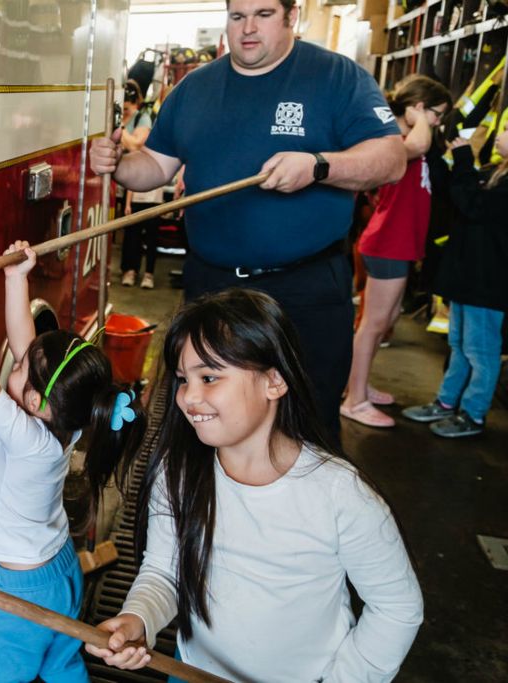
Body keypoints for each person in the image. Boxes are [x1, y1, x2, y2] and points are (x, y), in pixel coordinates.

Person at [90, 0, 406, 442]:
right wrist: (120, 163)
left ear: (291, 16)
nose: (248, 28)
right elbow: (155, 167)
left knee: (307, 423)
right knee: (209, 422)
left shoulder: (336, 77)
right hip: (213, 289)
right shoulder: (195, 88)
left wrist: (318, 166)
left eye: (263, 14)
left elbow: (391, 160)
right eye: (238, 16)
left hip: (306, 290)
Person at [85, 288, 424, 682]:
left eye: (209, 377)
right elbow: (164, 570)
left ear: (274, 382)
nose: (189, 397)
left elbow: (397, 606)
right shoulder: (178, 472)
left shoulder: (340, 494)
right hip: (191, 670)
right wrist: (137, 618)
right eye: (182, 379)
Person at [0, 240, 147, 682]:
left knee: (5, 676)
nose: (15, 364)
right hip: (60, 567)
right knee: (62, 663)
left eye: (20, 370)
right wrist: (16, 278)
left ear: (37, 399)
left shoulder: (24, 438)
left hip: (23, 592)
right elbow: (27, 350)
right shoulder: (68, 421)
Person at [341, 75, 451, 428]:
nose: (438, 123)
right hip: (388, 244)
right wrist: (419, 119)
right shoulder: (397, 142)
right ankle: (354, 401)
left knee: (383, 322)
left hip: (396, 245)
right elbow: (418, 145)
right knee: (373, 325)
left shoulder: (410, 139)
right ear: (417, 108)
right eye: (436, 114)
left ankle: (358, 385)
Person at [402, 129, 508, 437]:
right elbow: (455, 192)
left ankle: (473, 414)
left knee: (482, 351)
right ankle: (447, 403)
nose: (500, 134)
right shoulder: (494, 172)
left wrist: (463, 159)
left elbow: (473, 206)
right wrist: (440, 155)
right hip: (468, 277)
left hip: (488, 284)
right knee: (459, 345)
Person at [119, 79, 157, 288]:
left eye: (127, 106)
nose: (125, 110)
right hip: (119, 185)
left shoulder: (143, 118)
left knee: (147, 231)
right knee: (128, 232)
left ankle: (146, 273)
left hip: (138, 182)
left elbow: (135, 145)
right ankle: (128, 269)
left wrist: (119, 126)